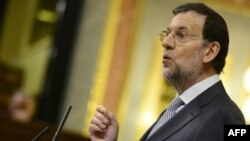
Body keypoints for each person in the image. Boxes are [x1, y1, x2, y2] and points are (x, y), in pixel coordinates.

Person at [88, 2, 245, 141]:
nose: (166, 42)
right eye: (168, 33)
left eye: (181, 35)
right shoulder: (176, 109)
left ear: (210, 52)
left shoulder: (227, 117)